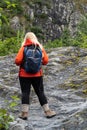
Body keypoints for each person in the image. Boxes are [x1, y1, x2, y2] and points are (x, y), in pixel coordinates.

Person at [15, 32, 56, 120]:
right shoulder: (40, 48)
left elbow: (17, 61)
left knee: (25, 92)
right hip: (37, 74)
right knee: (40, 92)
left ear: (26, 39)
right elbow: (46, 61)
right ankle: (48, 111)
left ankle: (24, 113)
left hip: (24, 74)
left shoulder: (23, 48)